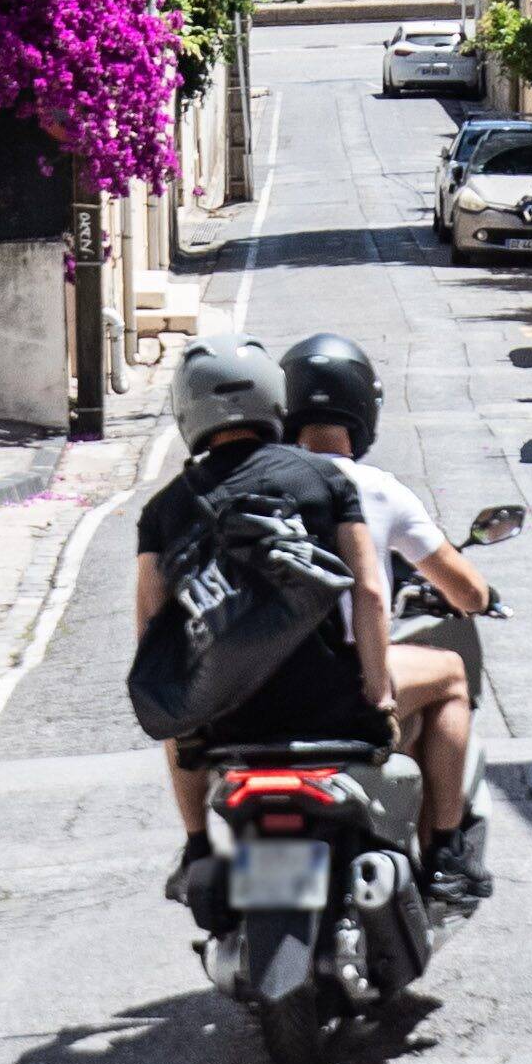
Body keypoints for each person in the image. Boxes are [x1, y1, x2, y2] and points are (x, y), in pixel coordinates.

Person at [139, 338, 390, 918]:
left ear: (187, 413)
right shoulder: (324, 481)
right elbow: (371, 592)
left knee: (178, 720)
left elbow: (153, 632)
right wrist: (378, 693)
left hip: (225, 721)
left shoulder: (165, 509)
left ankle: (198, 844)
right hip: (329, 709)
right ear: (275, 401)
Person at [278, 332, 490, 901]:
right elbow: (464, 591)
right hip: (346, 679)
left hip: (262, 680)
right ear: (363, 408)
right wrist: (481, 595)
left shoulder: (256, 483)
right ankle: (445, 848)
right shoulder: (376, 488)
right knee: (449, 673)